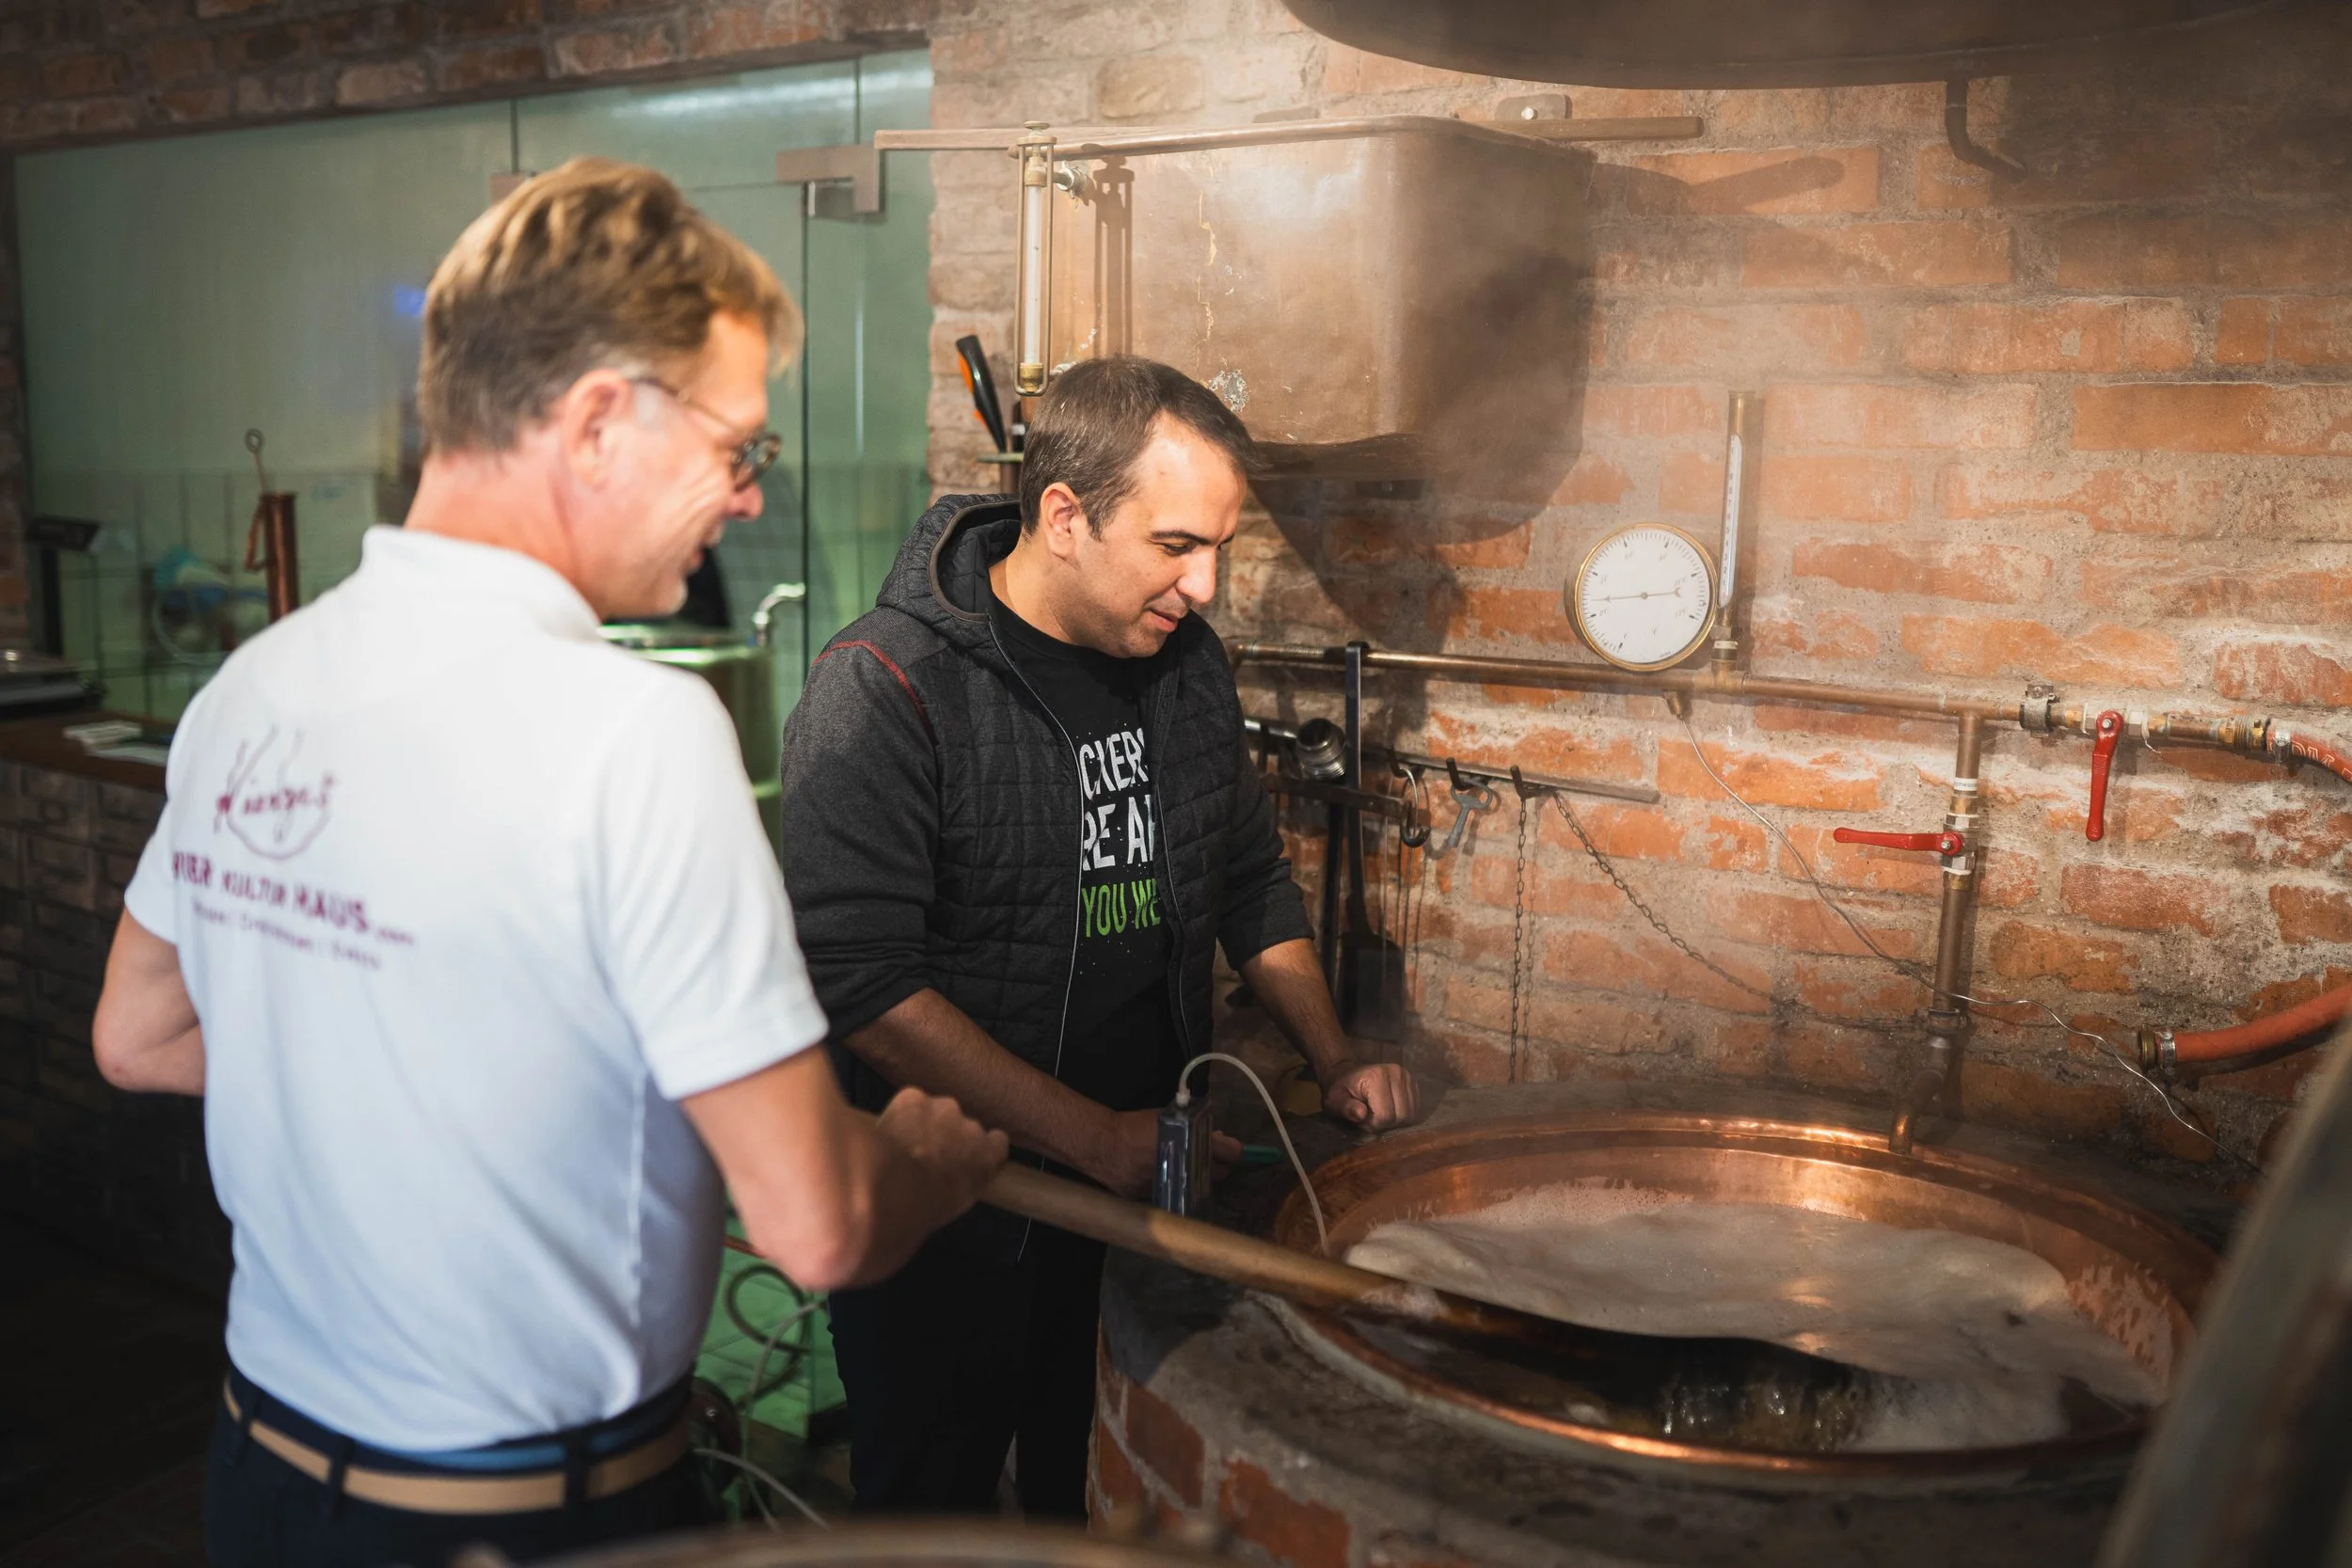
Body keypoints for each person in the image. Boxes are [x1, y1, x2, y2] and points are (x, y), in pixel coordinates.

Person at [89, 158, 1007, 1568]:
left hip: (262, 1484)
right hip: (520, 1524)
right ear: (593, 420)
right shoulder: (636, 734)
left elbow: (141, 1032)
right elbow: (816, 1226)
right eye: (736, 446)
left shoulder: (254, 689)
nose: (748, 499)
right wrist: (920, 1163)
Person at [776, 354, 1424, 1518]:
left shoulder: (1184, 667)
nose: (1207, 584)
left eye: (1221, 547)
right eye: (1177, 545)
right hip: (957, 1220)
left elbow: (1248, 881)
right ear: (1066, 516)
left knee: (1101, 1491)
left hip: (1136, 1195)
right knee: (937, 1520)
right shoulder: (883, 684)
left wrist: (1332, 1057)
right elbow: (861, 986)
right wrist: (1089, 1139)